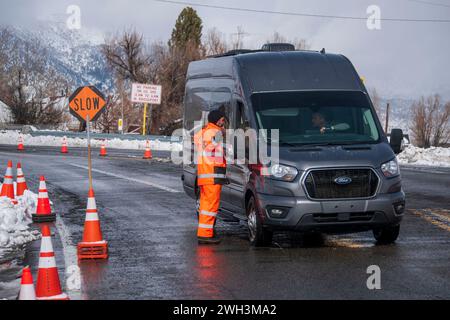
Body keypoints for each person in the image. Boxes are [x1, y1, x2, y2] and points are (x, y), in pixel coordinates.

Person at [194, 109, 228, 244]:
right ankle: (206, 235)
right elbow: (209, 149)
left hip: (205, 174)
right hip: (212, 174)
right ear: (216, 119)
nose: (223, 121)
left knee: (205, 206)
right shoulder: (214, 132)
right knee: (210, 206)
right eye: (221, 119)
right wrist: (221, 135)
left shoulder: (203, 132)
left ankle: (204, 233)